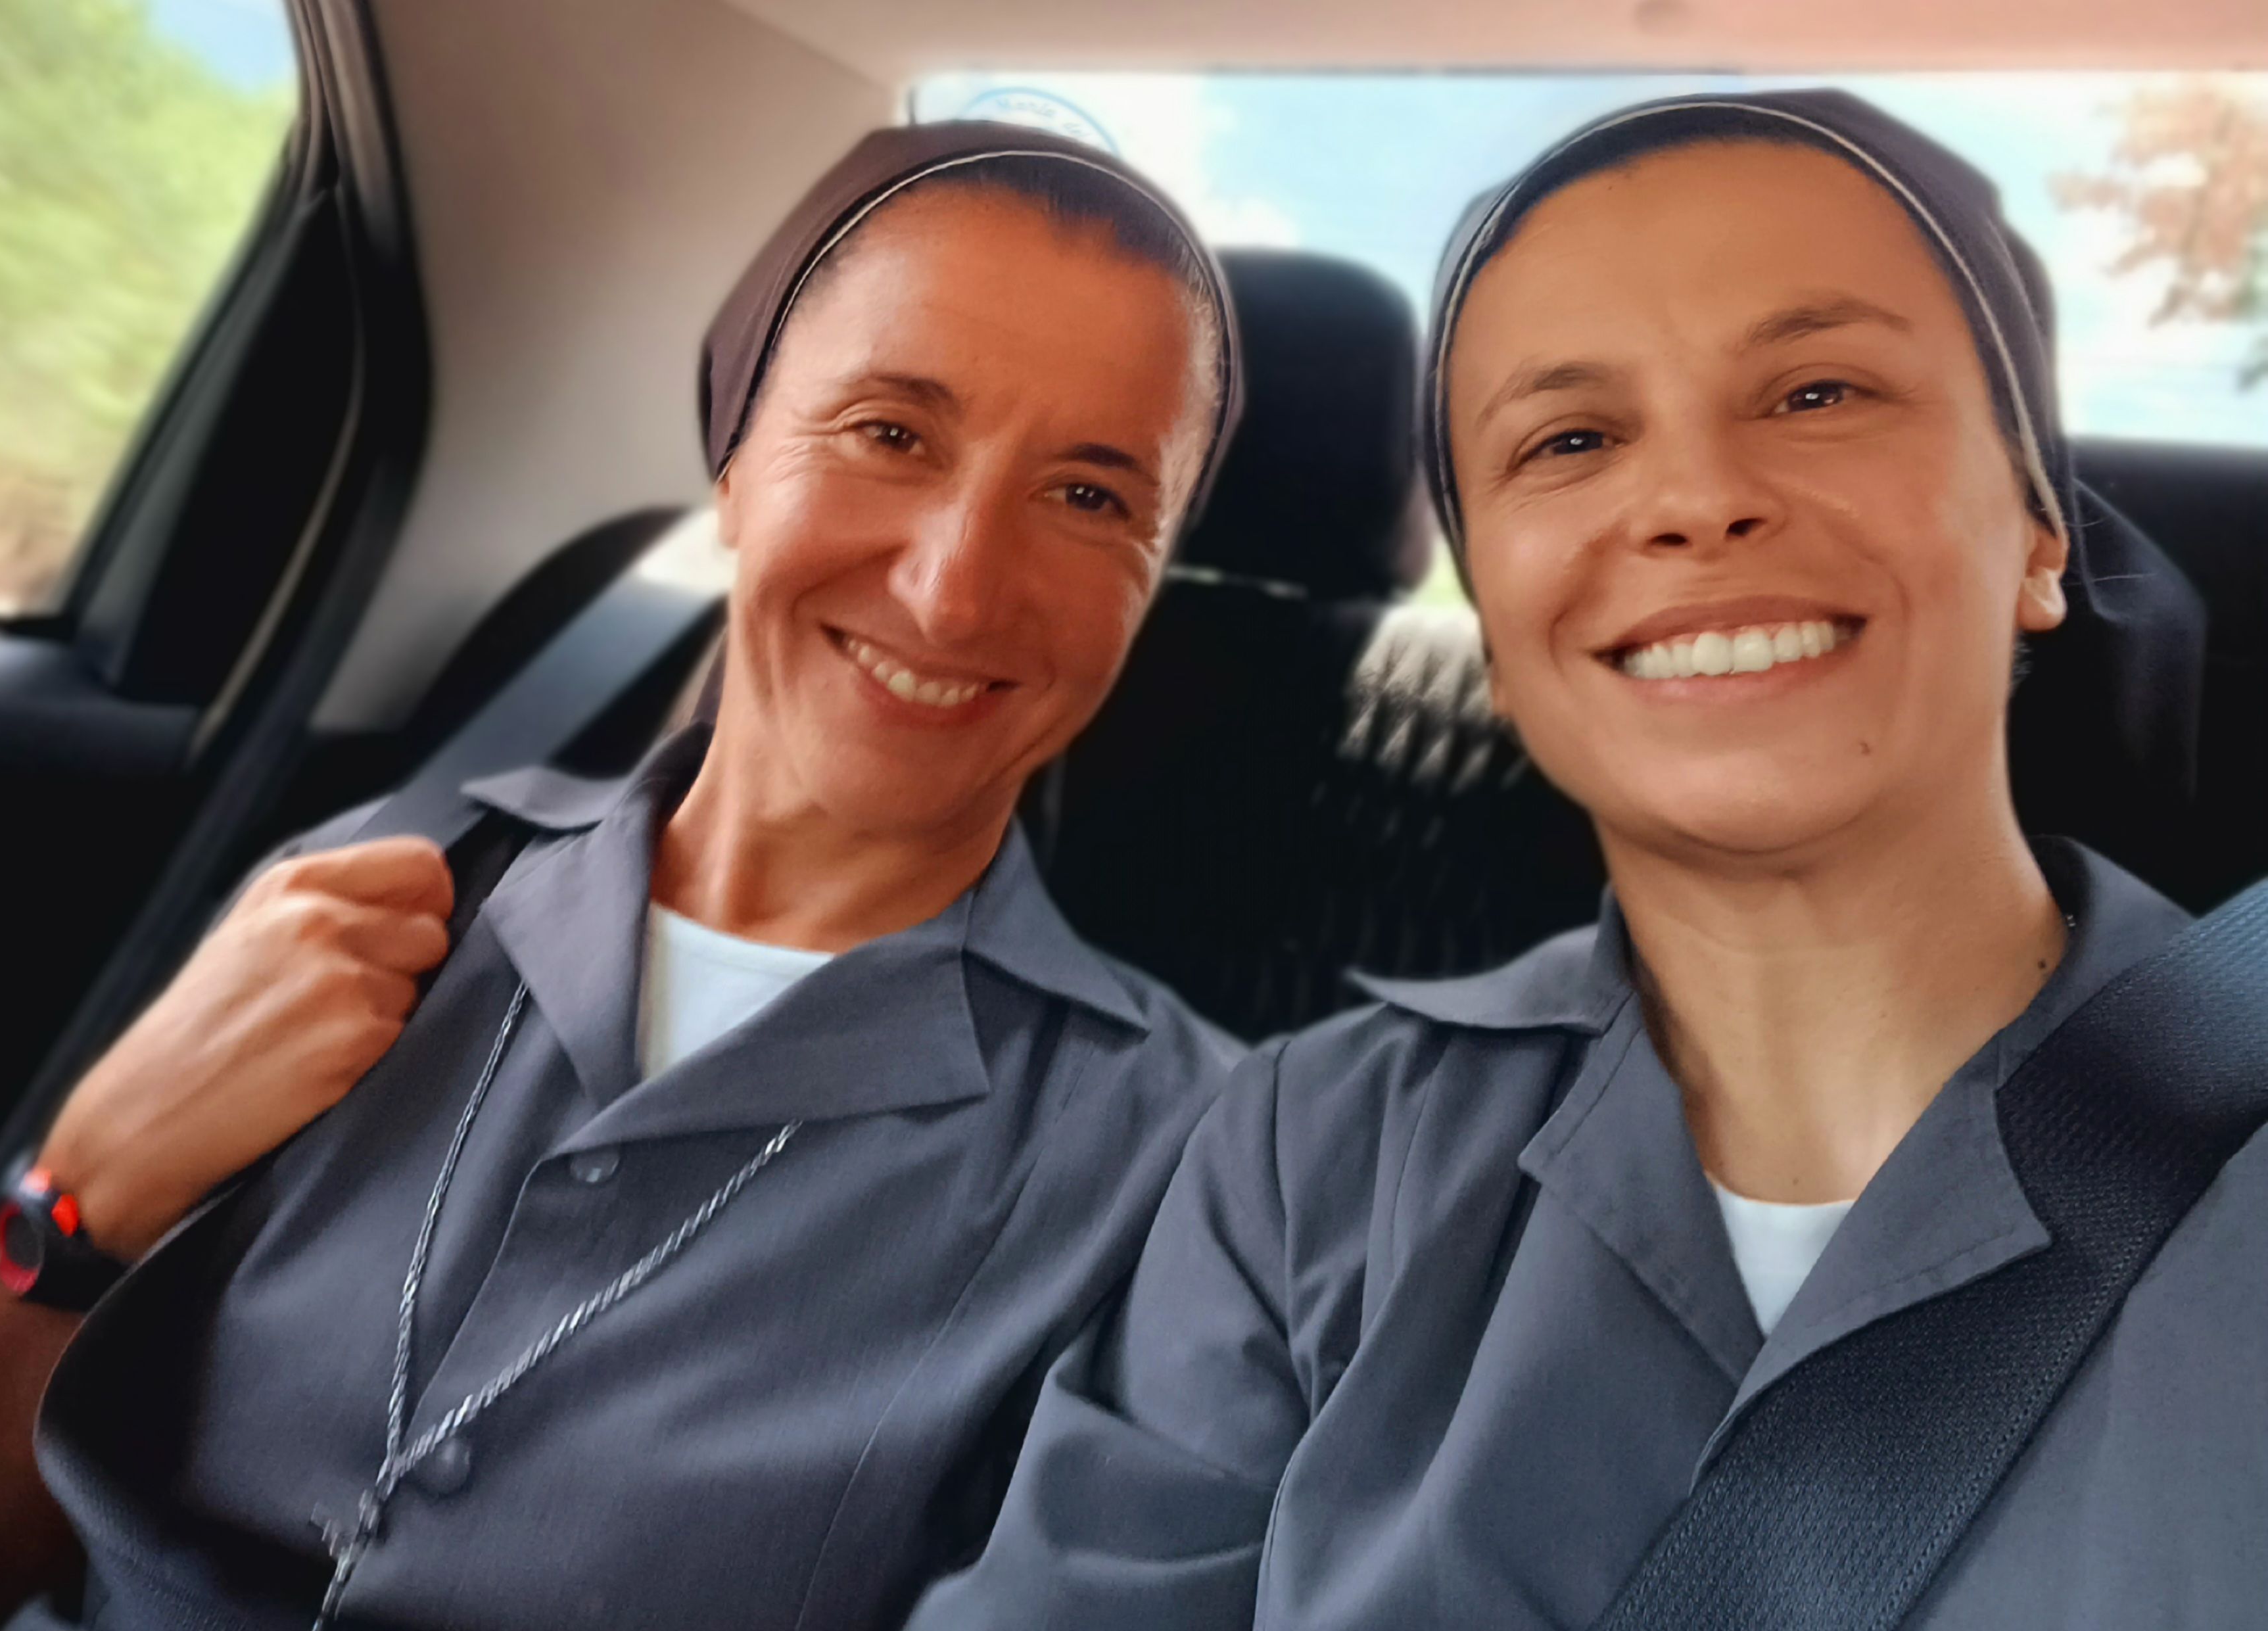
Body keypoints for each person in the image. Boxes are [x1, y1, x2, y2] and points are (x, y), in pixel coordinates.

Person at [909, 91, 2257, 1631]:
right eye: (1568, 437)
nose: (1691, 498)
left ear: (2036, 533)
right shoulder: (1309, 1154)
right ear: (1498, 616)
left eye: (1819, 391)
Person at [0, 121, 1244, 1631]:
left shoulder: (1200, 1171)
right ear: (733, 459)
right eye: (889, 430)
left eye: (1088, 496)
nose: (953, 583)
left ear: (1151, 575)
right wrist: (79, 1195)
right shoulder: (358, 885)